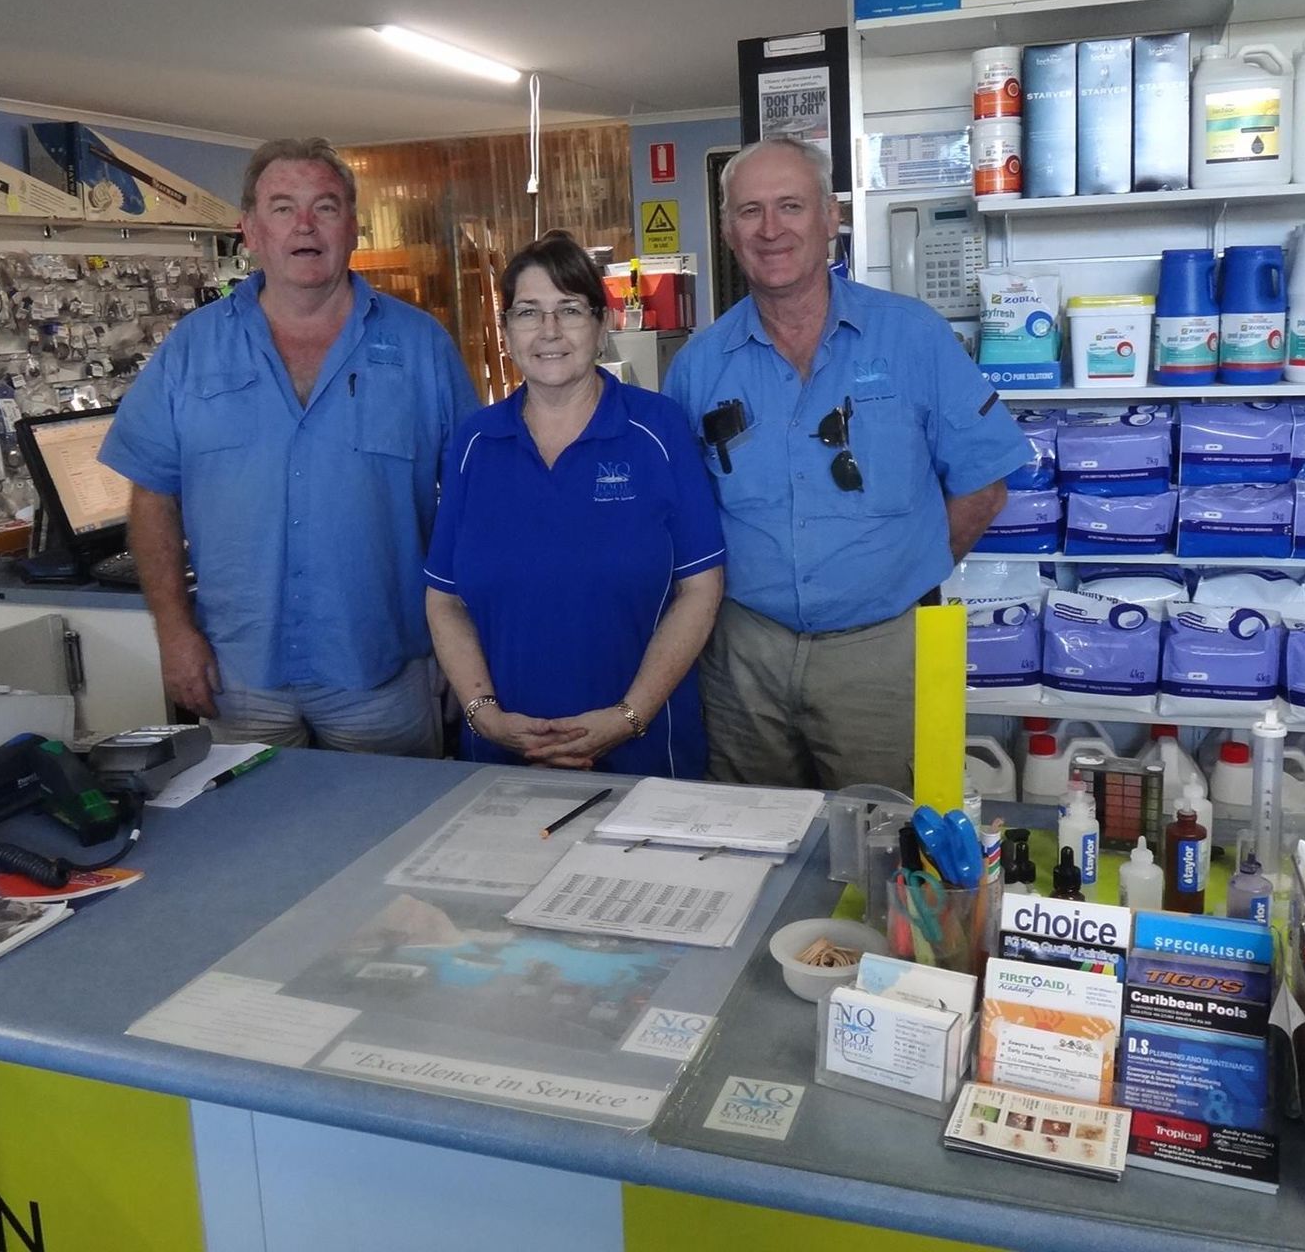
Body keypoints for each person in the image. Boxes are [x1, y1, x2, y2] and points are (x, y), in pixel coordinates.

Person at [662, 136, 1028, 791]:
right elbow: (678, 518)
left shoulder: (913, 336)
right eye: (750, 212)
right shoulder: (698, 364)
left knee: (897, 848)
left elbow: (984, 486)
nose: (770, 230)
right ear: (726, 229)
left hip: (887, 653)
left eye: (791, 206)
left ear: (830, 218)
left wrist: (895, 579)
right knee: (751, 843)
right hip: (742, 657)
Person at [101, 137, 479, 754]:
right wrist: (173, 631)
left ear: (352, 226)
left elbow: (474, 503)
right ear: (249, 229)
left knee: (393, 838)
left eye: (325, 207)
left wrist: (459, 646)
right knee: (254, 841)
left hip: (386, 669)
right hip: (239, 675)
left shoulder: (421, 347)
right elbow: (152, 495)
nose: (305, 226)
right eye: (282, 208)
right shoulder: (191, 350)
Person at [424, 234, 724, 777]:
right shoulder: (475, 442)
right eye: (529, 312)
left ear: (601, 324)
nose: (549, 332)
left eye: (569, 310)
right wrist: (485, 715)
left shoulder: (657, 430)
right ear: (506, 330)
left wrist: (628, 717)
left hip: (644, 752)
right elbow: (444, 600)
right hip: (503, 757)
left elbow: (701, 588)